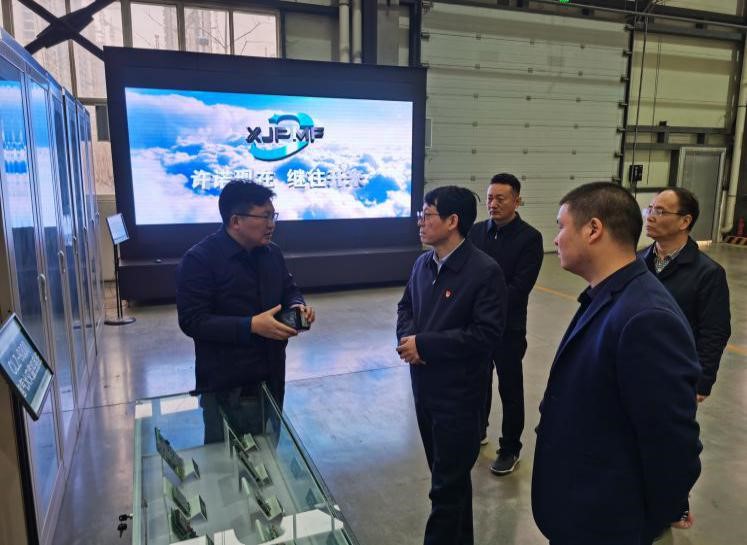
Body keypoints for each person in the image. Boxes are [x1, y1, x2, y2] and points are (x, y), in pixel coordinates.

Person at [532, 182, 701, 545]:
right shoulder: (608, 294)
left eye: (561, 226)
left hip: (607, 521)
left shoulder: (645, 317)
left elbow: (672, 443)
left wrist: (647, 521)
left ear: (593, 229)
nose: (556, 239)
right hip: (580, 507)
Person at [396, 185, 506, 545]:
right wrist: (408, 340)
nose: (420, 222)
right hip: (424, 390)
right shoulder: (422, 264)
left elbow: (485, 335)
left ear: (452, 221)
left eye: (427, 215)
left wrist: (425, 345)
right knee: (449, 482)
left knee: (445, 489)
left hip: (459, 397)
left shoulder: (484, 271)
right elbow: (405, 307)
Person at [176, 180, 315, 415]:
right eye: (264, 217)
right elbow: (192, 321)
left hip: (272, 372)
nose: (271, 225)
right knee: (226, 439)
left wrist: (297, 306)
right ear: (235, 221)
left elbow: (289, 289)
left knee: (272, 434)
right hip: (227, 381)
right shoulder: (199, 260)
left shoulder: (272, 253)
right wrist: (250, 325)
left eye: (273, 216)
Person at [640, 187, 731, 529]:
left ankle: (676, 504)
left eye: (661, 211)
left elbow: (714, 331)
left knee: (673, 445)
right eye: (650, 208)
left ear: (685, 221)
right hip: (637, 368)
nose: (651, 216)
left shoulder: (707, 273)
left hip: (675, 376)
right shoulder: (638, 262)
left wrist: (703, 380)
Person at [468, 173, 543, 475]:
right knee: (478, 381)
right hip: (476, 326)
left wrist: (483, 305)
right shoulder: (475, 233)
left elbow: (520, 287)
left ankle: (510, 448)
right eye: (490, 198)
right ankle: (478, 430)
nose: (493, 204)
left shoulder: (529, 238)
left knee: (510, 389)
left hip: (508, 327)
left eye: (501, 198)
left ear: (517, 201)